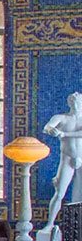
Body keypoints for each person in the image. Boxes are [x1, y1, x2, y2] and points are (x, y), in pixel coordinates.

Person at [42, 92, 82, 232]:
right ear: (69, 104)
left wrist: (64, 134)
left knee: (79, 196)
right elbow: (47, 127)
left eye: (79, 102)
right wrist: (52, 130)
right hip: (67, 158)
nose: (76, 105)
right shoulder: (62, 118)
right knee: (59, 193)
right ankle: (50, 224)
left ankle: (78, 226)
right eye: (73, 102)